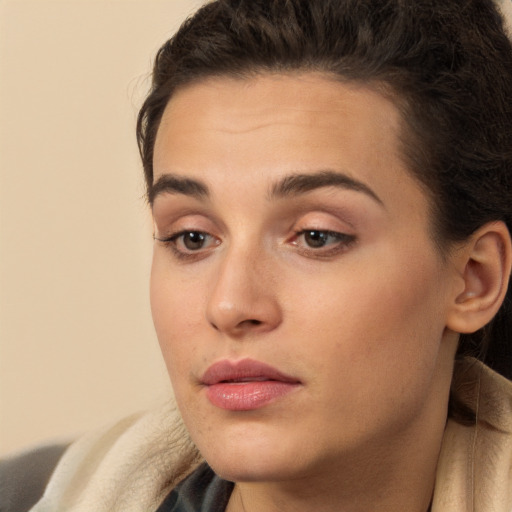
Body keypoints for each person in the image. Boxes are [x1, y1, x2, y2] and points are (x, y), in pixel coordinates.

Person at [16, 0, 512, 510]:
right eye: (192, 238)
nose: (230, 306)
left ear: (476, 278)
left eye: (317, 236)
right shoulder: (35, 493)